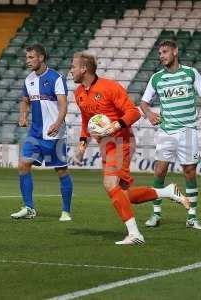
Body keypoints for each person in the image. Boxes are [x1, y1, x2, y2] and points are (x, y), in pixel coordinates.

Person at [70, 52, 190, 245]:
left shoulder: (110, 87)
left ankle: (135, 234)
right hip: (105, 145)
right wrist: (82, 145)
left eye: (73, 67)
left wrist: (115, 125)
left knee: (109, 185)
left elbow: (134, 112)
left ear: (84, 69)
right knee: (125, 195)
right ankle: (166, 191)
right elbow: (87, 121)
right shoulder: (79, 94)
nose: (71, 71)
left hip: (121, 142)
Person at [140, 40, 201, 230]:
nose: (162, 56)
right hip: (166, 131)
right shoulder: (157, 78)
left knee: (190, 172)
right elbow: (143, 102)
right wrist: (149, 114)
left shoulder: (190, 73)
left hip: (188, 130)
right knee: (159, 171)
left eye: (165, 52)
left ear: (175, 51)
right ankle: (156, 214)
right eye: (159, 53)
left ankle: (192, 216)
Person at [10, 44, 73, 221]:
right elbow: (25, 101)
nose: (27, 61)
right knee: (23, 165)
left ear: (41, 58)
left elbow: (63, 105)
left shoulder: (56, 78)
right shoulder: (28, 80)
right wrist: (23, 115)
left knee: (61, 171)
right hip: (35, 134)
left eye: (31, 57)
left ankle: (66, 211)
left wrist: (58, 123)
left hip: (55, 134)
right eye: (27, 57)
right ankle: (29, 208)